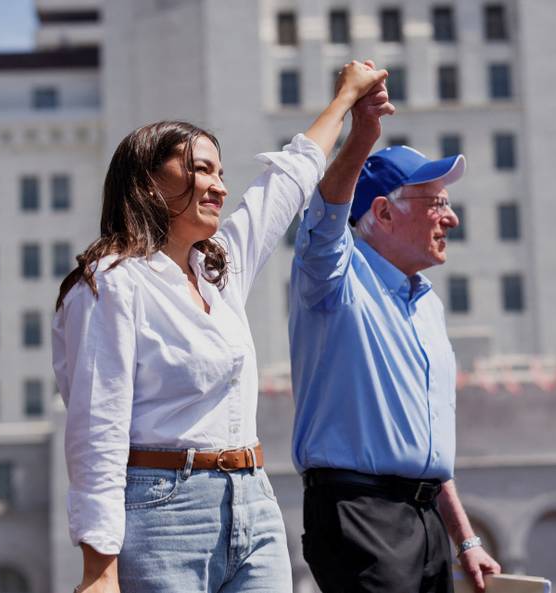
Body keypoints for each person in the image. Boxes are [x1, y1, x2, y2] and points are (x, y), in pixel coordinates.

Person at [52, 61, 393, 593]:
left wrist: (347, 106)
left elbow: (288, 179)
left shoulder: (218, 272)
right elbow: (97, 429)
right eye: (201, 170)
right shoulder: (111, 284)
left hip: (253, 502)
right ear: (146, 180)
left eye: (220, 172)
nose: (218, 186)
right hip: (162, 512)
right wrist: (99, 569)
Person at [289, 142, 502, 593]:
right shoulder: (334, 280)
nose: (451, 218)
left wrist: (465, 538)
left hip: (426, 521)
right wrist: (363, 132)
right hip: (360, 511)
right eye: (438, 203)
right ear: (383, 213)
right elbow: (325, 216)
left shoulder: (429, 306)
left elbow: (427, 449)